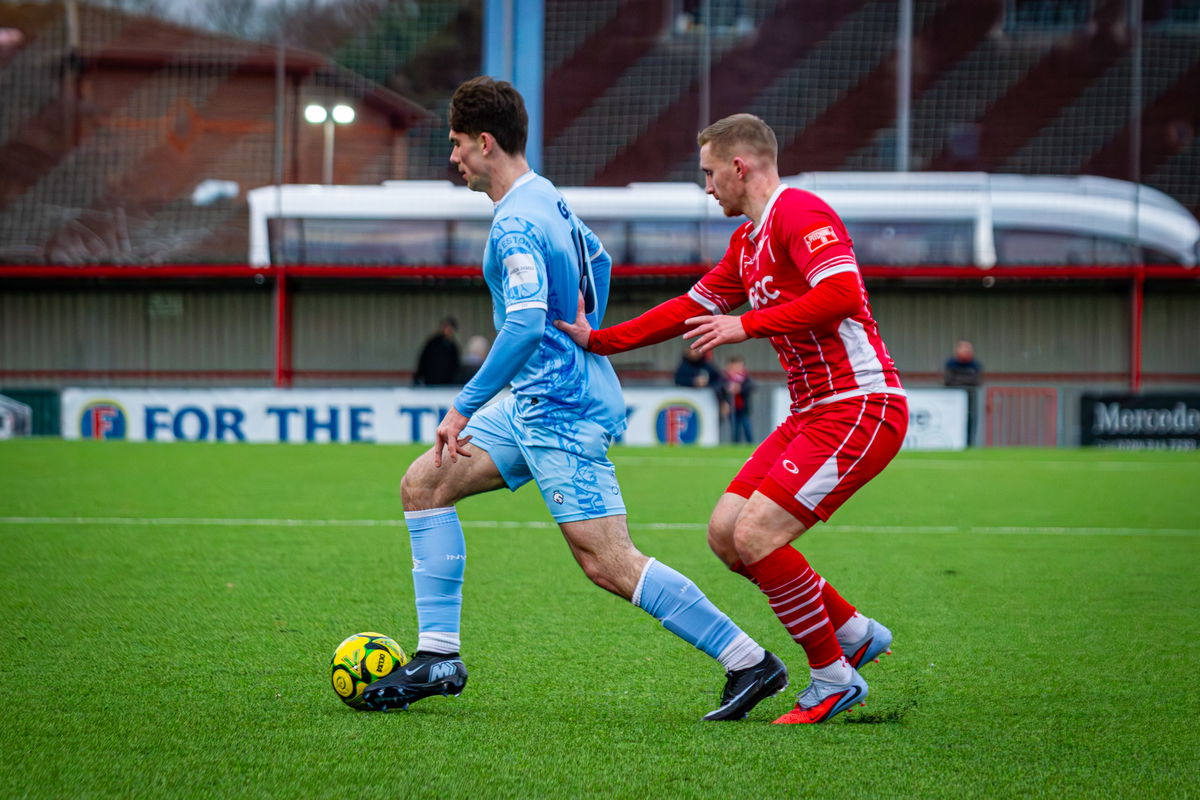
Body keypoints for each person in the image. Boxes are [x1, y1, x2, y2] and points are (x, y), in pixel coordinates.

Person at [363, 79, 786, 721]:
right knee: (424, 485)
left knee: (608, 561)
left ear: (485, 142)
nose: (453, 158)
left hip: (560, 409)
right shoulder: (546, 196)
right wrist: (584, 331)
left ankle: (748, 660)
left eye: (456, 144)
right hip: (533, 402)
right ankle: (438, 655)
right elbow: (601, 259)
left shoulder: (515, 223)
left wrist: (463, 406)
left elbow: (525, 323)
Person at [557, 113, 908, 724]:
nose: (707, 186)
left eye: (709, 172)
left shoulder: (800, 212)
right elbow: (687, 308)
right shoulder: (748, 242)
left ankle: (832, 677)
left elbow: (843, 294)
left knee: (756, 535)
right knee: (725, 532)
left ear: (739, 167)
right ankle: (852, 633)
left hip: (860, 405)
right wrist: (600, 340)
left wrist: (745, 323)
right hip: (811, 413)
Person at [944, 339, 982, 445]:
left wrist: (959, 380)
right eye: (963, 348)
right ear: (957, 350)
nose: (966, 350)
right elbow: (949, 381)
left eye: (968, 348)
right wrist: (966, 380)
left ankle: (969, 443)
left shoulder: (975, 365)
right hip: (953, 400)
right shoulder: (951, 364)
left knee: (970, 420)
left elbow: (976, 381)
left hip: (971, 399)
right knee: (953, 420)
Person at [414, 317, 462, 386]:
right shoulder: (433, 343)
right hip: (432, 380)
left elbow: (456, 364)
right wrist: (419, 376)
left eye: (449, 327)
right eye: (445, 327)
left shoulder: (453, 346)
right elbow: (424, 359)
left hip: (448, 381)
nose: (447, 329)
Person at [723, 355, 755, 443]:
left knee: (747, 427)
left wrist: (740, 388)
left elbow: (751, 386)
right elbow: (721, 388)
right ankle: (735, 444)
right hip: (732, 407)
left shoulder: (745, 376)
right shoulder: (725, 377)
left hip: (743, 407)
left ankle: (750, 444)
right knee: (735, 428)